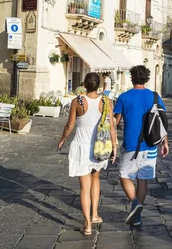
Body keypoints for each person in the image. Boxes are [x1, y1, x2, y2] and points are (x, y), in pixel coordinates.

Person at [57, 73, 117, 235]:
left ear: (84, 84)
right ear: (98, 85)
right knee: (96, 178)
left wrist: (62, 139)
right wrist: (114, 145)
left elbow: (69, 126)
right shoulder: (106, 101)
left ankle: (87, 224)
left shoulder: (78, 101)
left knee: (84, 187)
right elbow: (112, 125)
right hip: (99, 145)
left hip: (81, 146)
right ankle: (95, 214)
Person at [114, 65, 169, 227]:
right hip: (151, 145)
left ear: (132, 78)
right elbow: (162, 121)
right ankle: (137, 216)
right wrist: (165, 142)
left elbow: (115, 122)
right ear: (147, 78)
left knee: (125, 176)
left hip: (131, 144)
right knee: (143, 180)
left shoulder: (124, 97)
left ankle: (134, 202)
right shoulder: (155, 97)